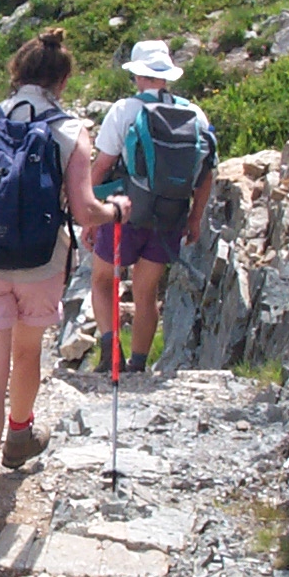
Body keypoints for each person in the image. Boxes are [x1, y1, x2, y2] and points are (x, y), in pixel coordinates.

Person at [0, 29, 131, 528]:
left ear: (16, 73)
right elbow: (84, 211)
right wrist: (118, 210)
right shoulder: (70, 132)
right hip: (41, 262)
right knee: (28, 352)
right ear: (62, 81)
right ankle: (20, 435)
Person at [87, 40, 218, 375]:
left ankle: (110, 351)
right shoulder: (194, 114)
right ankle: (138, 365)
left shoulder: (124, 110)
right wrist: (195, 218)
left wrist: (90, 214)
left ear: (137, 75)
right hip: (170, 215)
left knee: (103, 280)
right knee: (146, 293)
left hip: (126, 212)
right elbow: (206, 174)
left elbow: (102, 166)